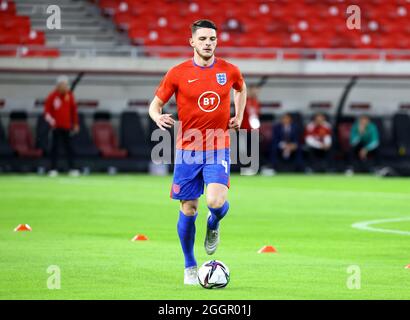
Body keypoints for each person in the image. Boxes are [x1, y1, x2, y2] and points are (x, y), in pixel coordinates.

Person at [148, 19, 247, 285]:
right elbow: (155, 105)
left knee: (215, 202)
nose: (207, 43)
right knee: (189, 208)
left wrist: (239, 114)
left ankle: (213, 223)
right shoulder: (178, 73)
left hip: (218, 145)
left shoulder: (229, 70)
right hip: (187, 149)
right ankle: (190, 265)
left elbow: (241, 87)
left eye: (212, 39)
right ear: (192, 41)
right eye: (202, 39)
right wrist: (157, 117)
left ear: (217, 42)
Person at [44, 75, 80, 177]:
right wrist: (52, 122)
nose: (65, 87)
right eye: (63, 85)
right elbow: (47, 113)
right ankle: (53, 169)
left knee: (69, 148)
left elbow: (74, 111)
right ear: (58, 85)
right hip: (55, 128)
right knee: (54, 148)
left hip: (67, 127)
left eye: (66, 85)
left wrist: (76, 124)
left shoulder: (70, 96)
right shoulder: (52, 96)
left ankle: (72, 168)